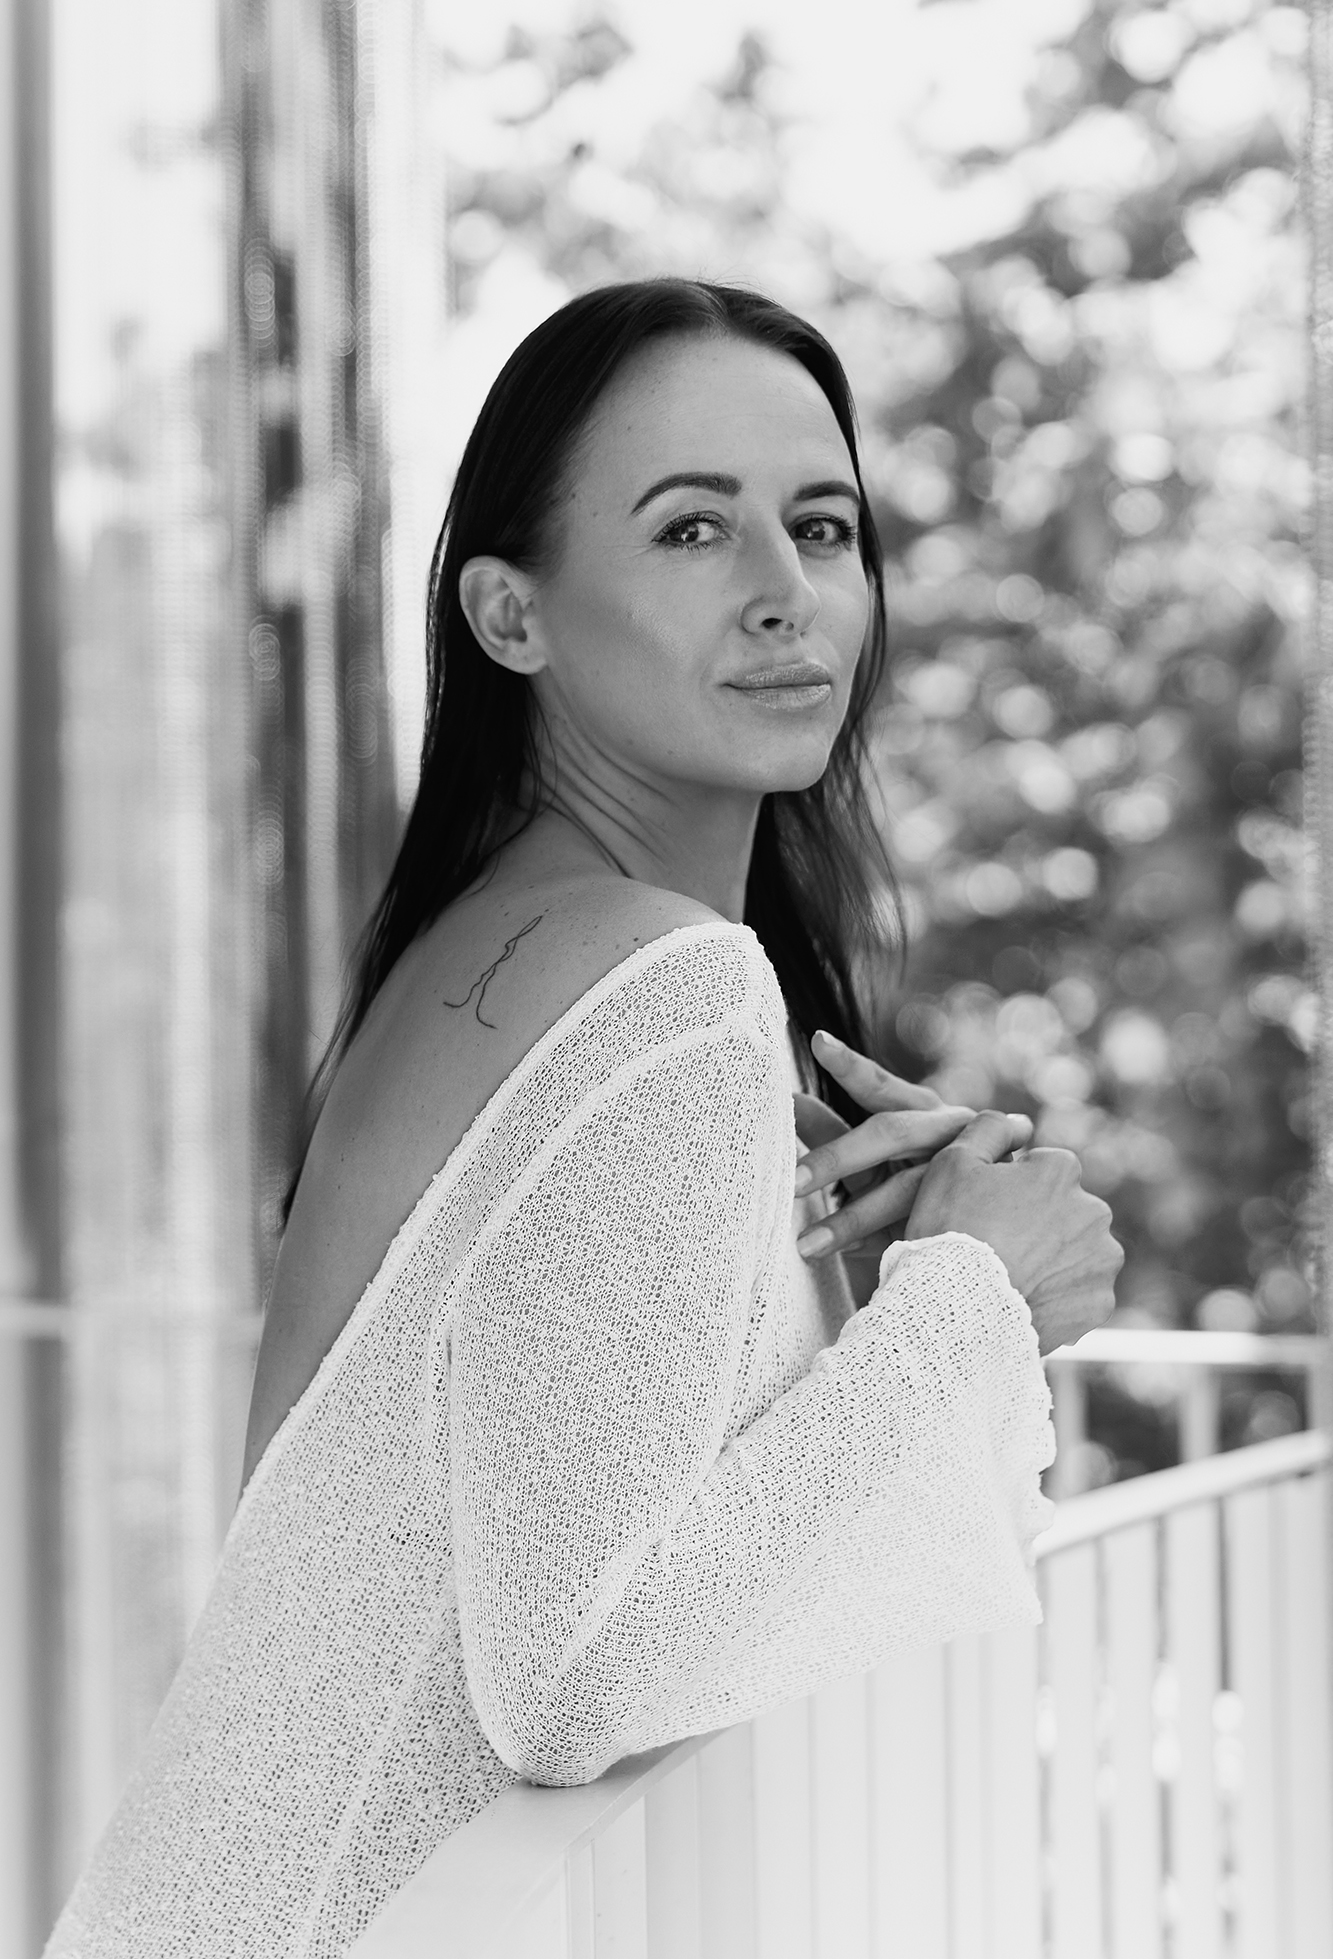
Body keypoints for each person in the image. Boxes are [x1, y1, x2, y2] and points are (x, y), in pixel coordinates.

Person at [46, 279, 1119, 1958]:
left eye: (821, 528)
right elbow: (583, 1674)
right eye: (692, 529)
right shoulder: (656, 985)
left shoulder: (496, 953)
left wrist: (893, 1288)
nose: (784, 593)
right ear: (510, 615)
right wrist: (977, 1298)